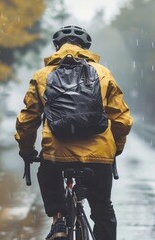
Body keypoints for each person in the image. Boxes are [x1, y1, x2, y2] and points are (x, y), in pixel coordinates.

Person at [15, 25, 133, 240]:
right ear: (86, 48)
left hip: (56, 154)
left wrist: (26, 149)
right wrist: (116, 148)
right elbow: (122, 120)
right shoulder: (103, 74)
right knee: (103, 211)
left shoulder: (42, 76)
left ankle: (59, 220)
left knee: (46, 168)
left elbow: (27, 120)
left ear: (58, 47)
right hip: (98, 157)